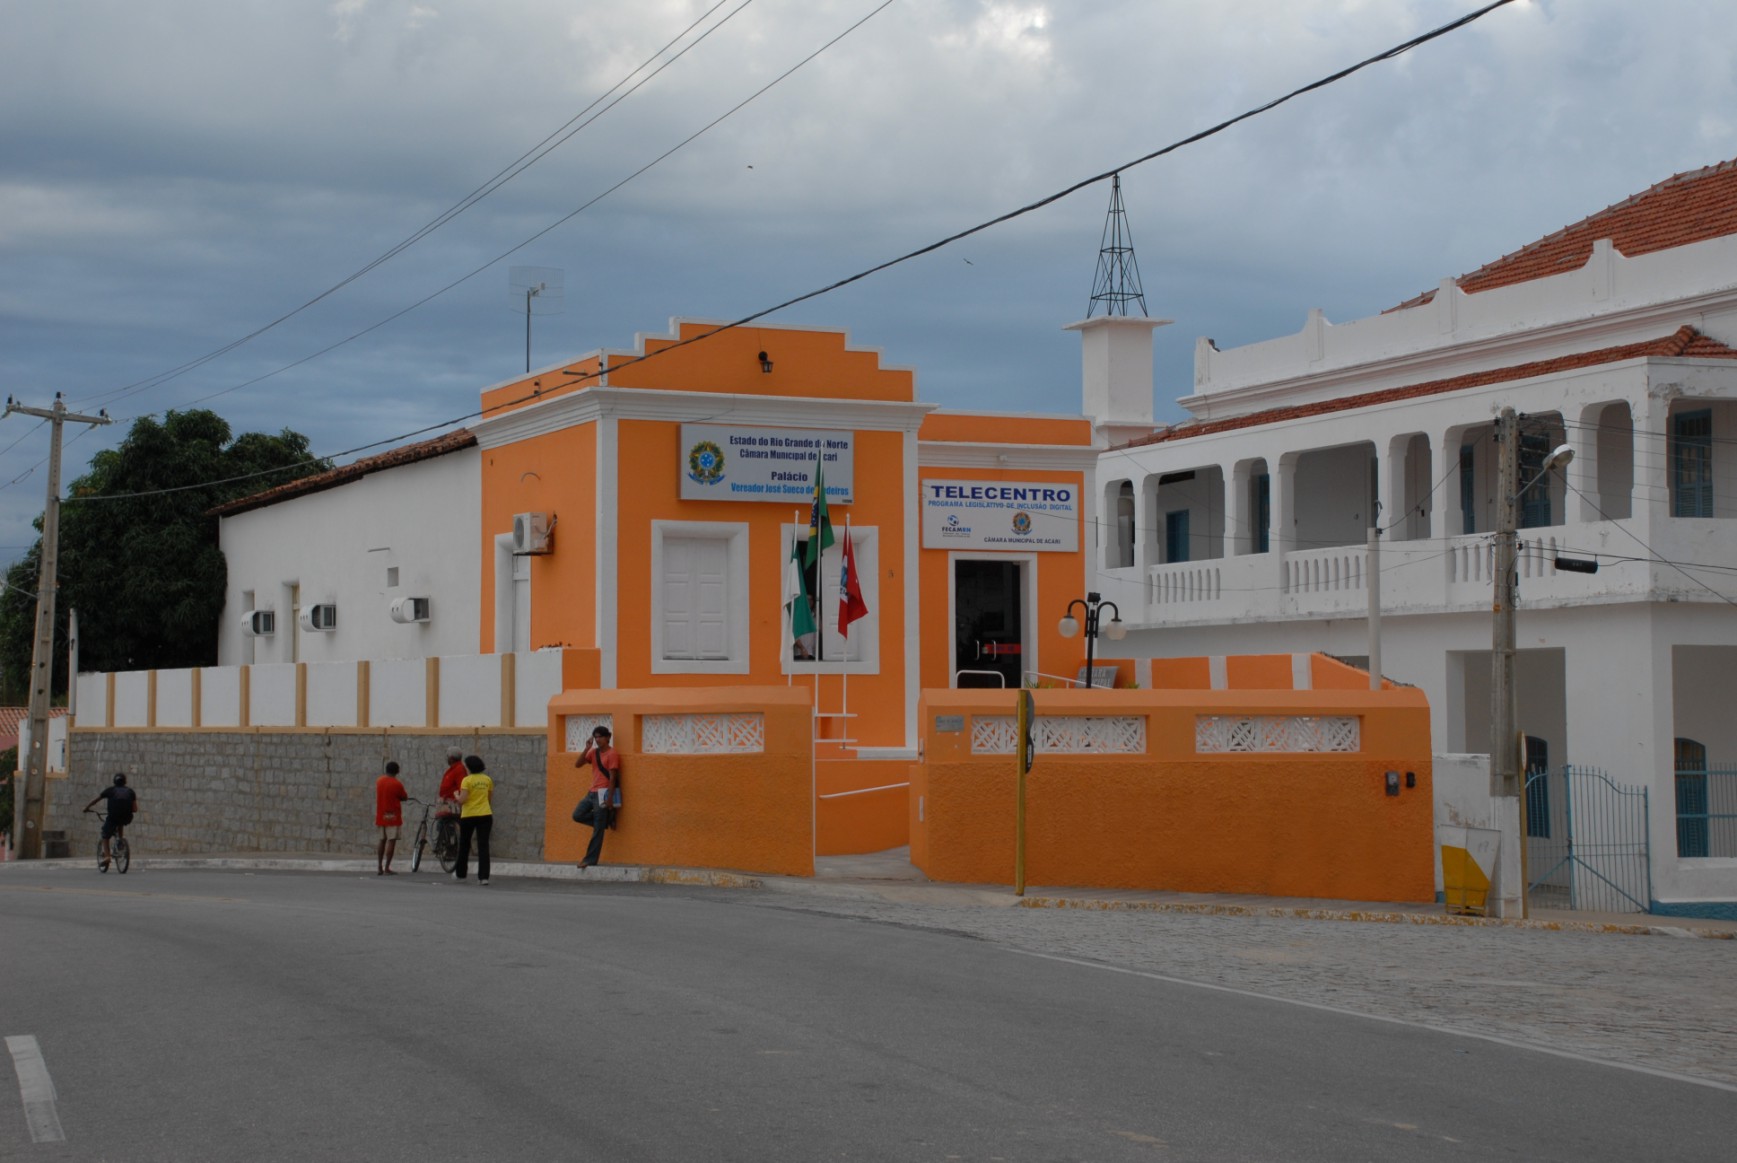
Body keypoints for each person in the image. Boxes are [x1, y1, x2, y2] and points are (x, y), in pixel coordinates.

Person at [572, 725, 620, 869]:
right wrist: (587, 748)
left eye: (600, 737)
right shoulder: (593, 752)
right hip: (591, 793)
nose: (598, 739)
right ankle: (605, 821)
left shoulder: (612, 754)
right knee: (577, 815)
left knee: (597, 831)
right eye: (596, 737)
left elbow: (613, 777)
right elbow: (577, 764)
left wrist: (610, 798)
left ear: (608, 737)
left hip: (603, 794)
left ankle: (590, 859)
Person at [82, 773, 138, 872]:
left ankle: (107, 856)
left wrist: (87, 808)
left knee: (105, 834)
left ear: (114, 781)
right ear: (125, 781)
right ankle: (120, 842)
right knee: (120, 822)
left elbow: (96, 800)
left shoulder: (110, 790)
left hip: (113, 816)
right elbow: (135, 809)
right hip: (127, 817)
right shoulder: (130, 792)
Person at [453, 754, 493, 885]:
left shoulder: (467, 780)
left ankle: (461, 874)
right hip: (485, 815)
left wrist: (456, 795)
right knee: (483, 846)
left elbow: (462, 800)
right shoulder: (487, 780)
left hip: (469, 815)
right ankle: (484, 877)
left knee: (464, 844)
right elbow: (489, 799)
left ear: (469, 767)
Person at [375, 761, 409, 875]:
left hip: (381, 815)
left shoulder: (379, 781)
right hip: (393, 816)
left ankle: (379, 866)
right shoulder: (397, 784)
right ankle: (387, 867)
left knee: (382, 840)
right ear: (397, 771)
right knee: (391, 841)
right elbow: (404, 797)